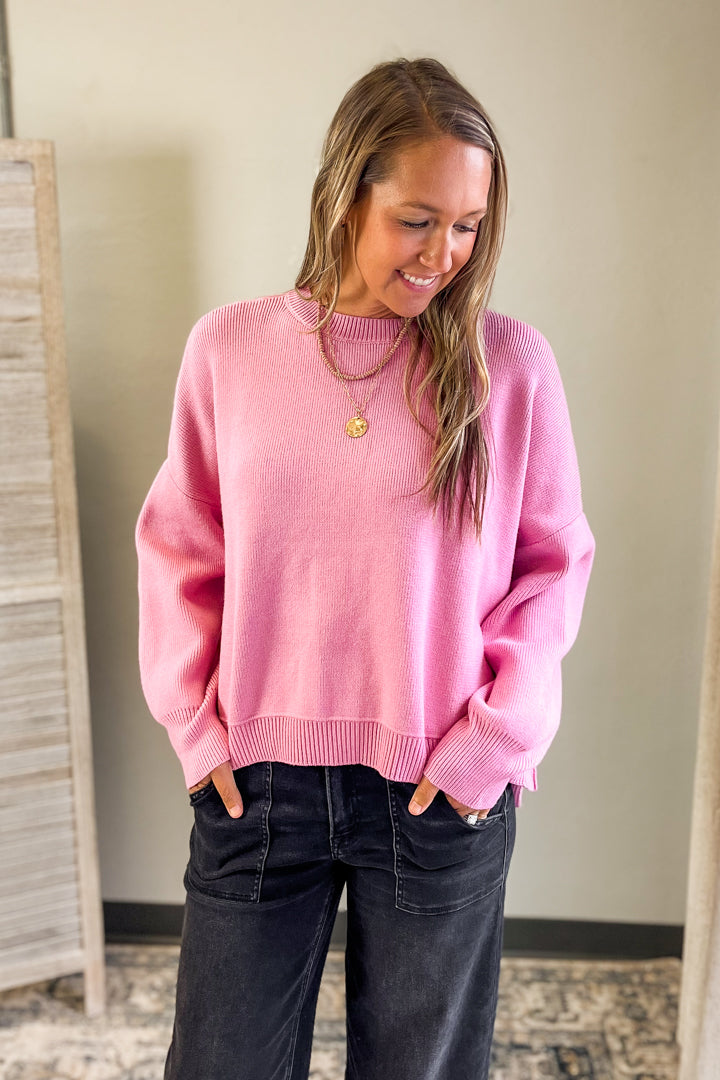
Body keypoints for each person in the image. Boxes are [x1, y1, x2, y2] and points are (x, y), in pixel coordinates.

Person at [135, 55, 596, 1080]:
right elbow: (180, 544)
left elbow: (553, 566)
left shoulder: (510, 367)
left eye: (468, 225)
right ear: (347, 194)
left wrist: (493, 746)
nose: (444, 254)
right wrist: (196, 727)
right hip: (259, 783)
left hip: (440, 783)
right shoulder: (231, 350)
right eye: (416, 219)